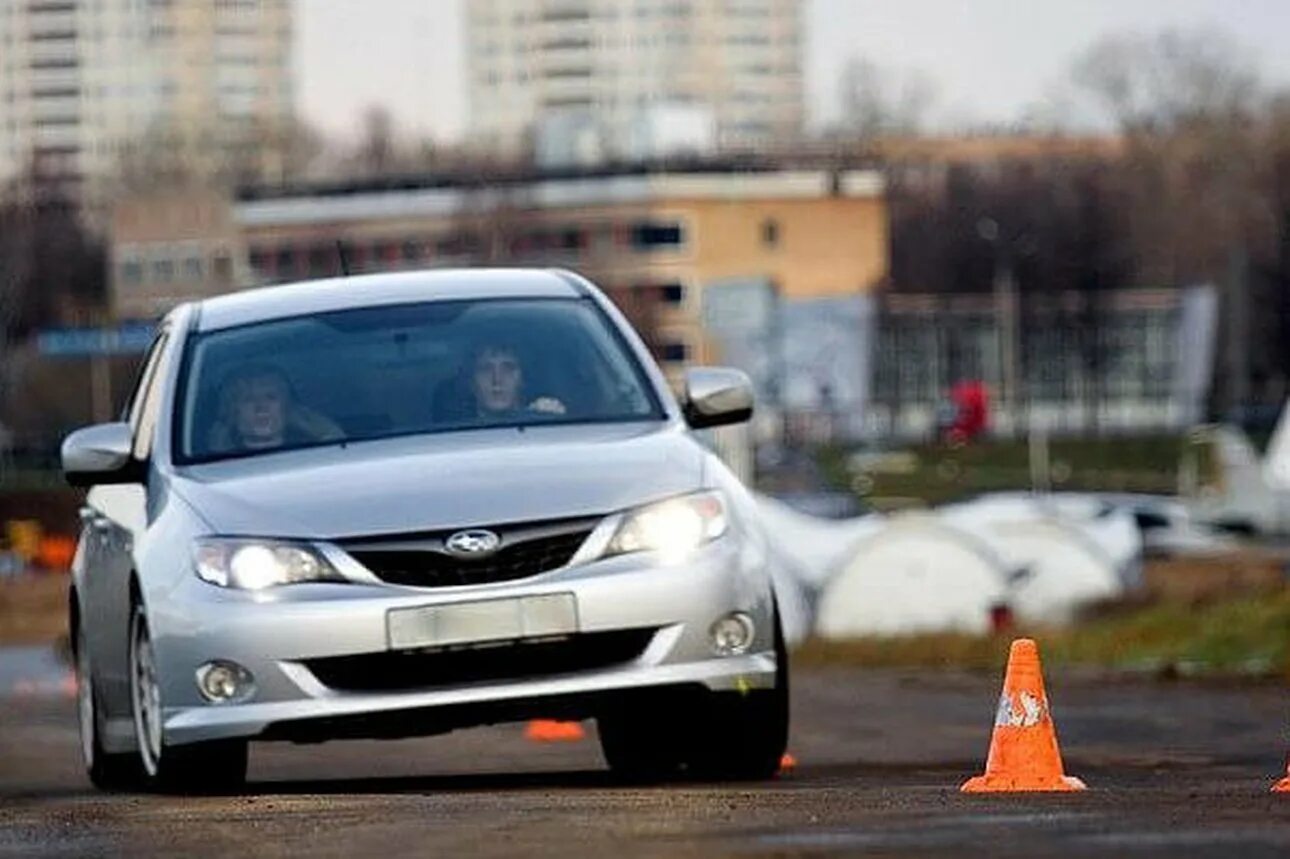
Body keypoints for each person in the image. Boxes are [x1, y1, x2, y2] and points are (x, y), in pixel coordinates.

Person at [208, 364, 344, 454]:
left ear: (287, 406)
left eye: (271, 397)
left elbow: (340, 452)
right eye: (248, 399)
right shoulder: (212, 465)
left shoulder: (313, 452)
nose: (261, 408)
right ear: (232, 410)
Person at [436, 341, 566, 422]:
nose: (497, 379)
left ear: (523, 379)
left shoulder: (546, 421)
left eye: (508, 369)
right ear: (471, 382)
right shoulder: (455, 437)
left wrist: (551, 420)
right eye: (486, 370)